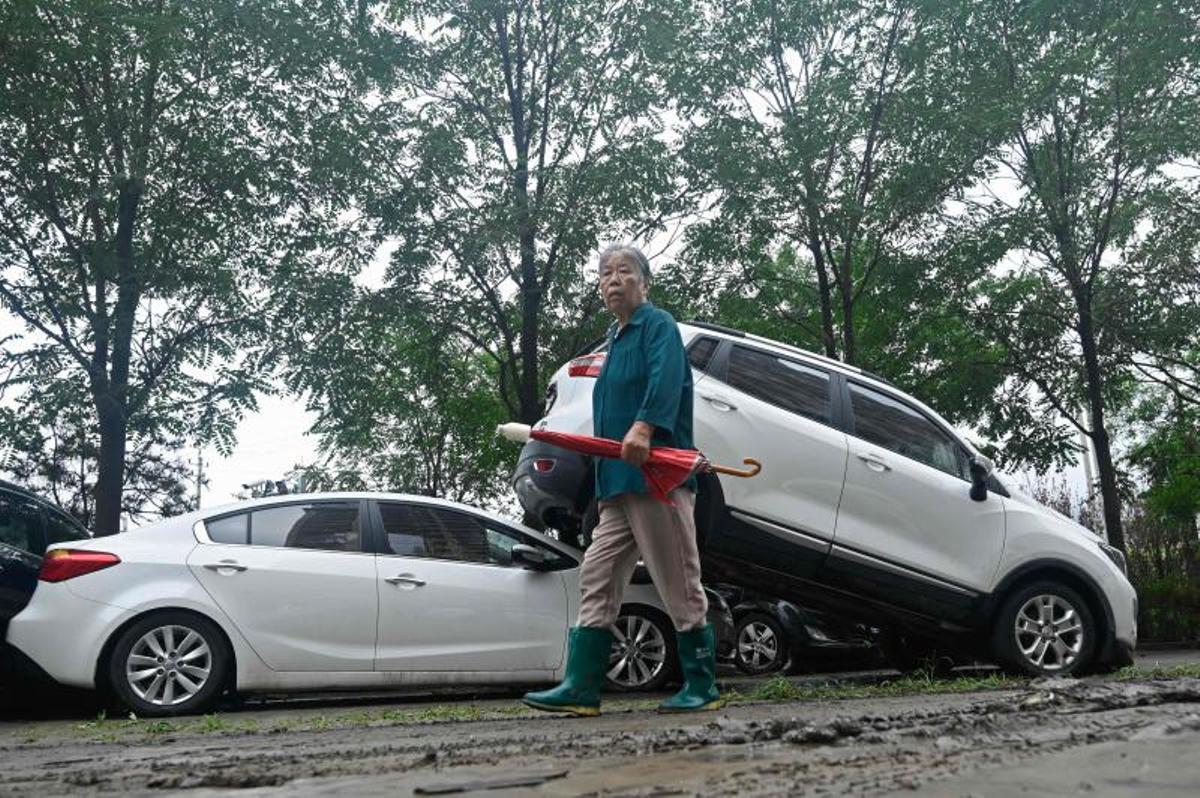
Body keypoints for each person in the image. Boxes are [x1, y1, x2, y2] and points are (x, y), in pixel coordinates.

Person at [523, 244, 721, 717]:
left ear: (644, 283)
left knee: (676, 577)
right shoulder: (614, 340)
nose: (612, 280)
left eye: (623, 271)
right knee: (597, 574)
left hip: (654, 478)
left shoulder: (657, 325)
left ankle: (702, 685)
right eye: (604, 274)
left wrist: (644, 426)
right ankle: (582, 687)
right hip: (615, 483)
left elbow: (667, 378)